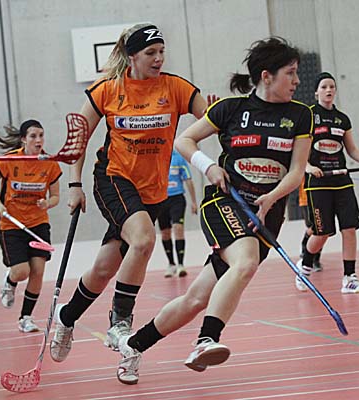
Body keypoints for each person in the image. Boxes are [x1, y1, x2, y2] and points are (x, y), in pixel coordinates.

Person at [113, 36, 312, 385]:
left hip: (267, 213)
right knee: (245, 262)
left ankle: (133, 345)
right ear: (266, 76)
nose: (296, 81)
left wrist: (271, 197)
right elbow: (184, 140)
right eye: (290, 73)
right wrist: (209, 167)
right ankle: (206, 340)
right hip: (225, 202)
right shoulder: (231, 109)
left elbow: (296, 172)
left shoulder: (300, 115)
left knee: (195, 299)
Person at [48, 23, 211, 362]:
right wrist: (75, 185)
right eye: (151, 53)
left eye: (161, 52)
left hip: (152, 191)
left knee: (104, 269)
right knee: (144, 239)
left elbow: (212, 118)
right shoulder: (107, 89)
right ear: (132, 56)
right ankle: (120, 322)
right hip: (114, 178)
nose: (158, 58)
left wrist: (221, 112)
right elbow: (79, 140)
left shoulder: (176, 87)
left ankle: (66, 315)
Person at [295, 72, 359, 294]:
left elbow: (352, 149)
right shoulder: (308, 116)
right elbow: (298, 150)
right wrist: (308, 167)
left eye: (332, 86)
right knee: (321, 234)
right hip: (318, 183)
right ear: (316, 92)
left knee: (349, 229)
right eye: (324, 87)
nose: (328, 90)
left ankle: (349, 278)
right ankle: (305, 265)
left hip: (342, 182)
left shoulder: (342, 119)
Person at [0, 120, 62, 332]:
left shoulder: (50, 164)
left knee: (37, 271)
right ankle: (10, 281)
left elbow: (56, 196)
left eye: (41, 135)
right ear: (23, 139)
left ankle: (25, 318)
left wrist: (47, 203)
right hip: (11, 224)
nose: (38, 140)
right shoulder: (11, 160)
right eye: (33, 136)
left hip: (38, 224)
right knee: (21, 272)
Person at [159, 148, 197, 278]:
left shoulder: (178, 158)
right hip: (160, 200)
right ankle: (171, 264)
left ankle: (181, 264)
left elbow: (188, 179)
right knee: (165, 233)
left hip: (177, 198)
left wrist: (194, 201)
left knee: (178, 228)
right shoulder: (156, 157)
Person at [297, 179, 323, 271]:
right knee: (314, 228)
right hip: (306, 199)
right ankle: (306, 250)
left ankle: (315, 259)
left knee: (322, 229)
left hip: (321, 199)